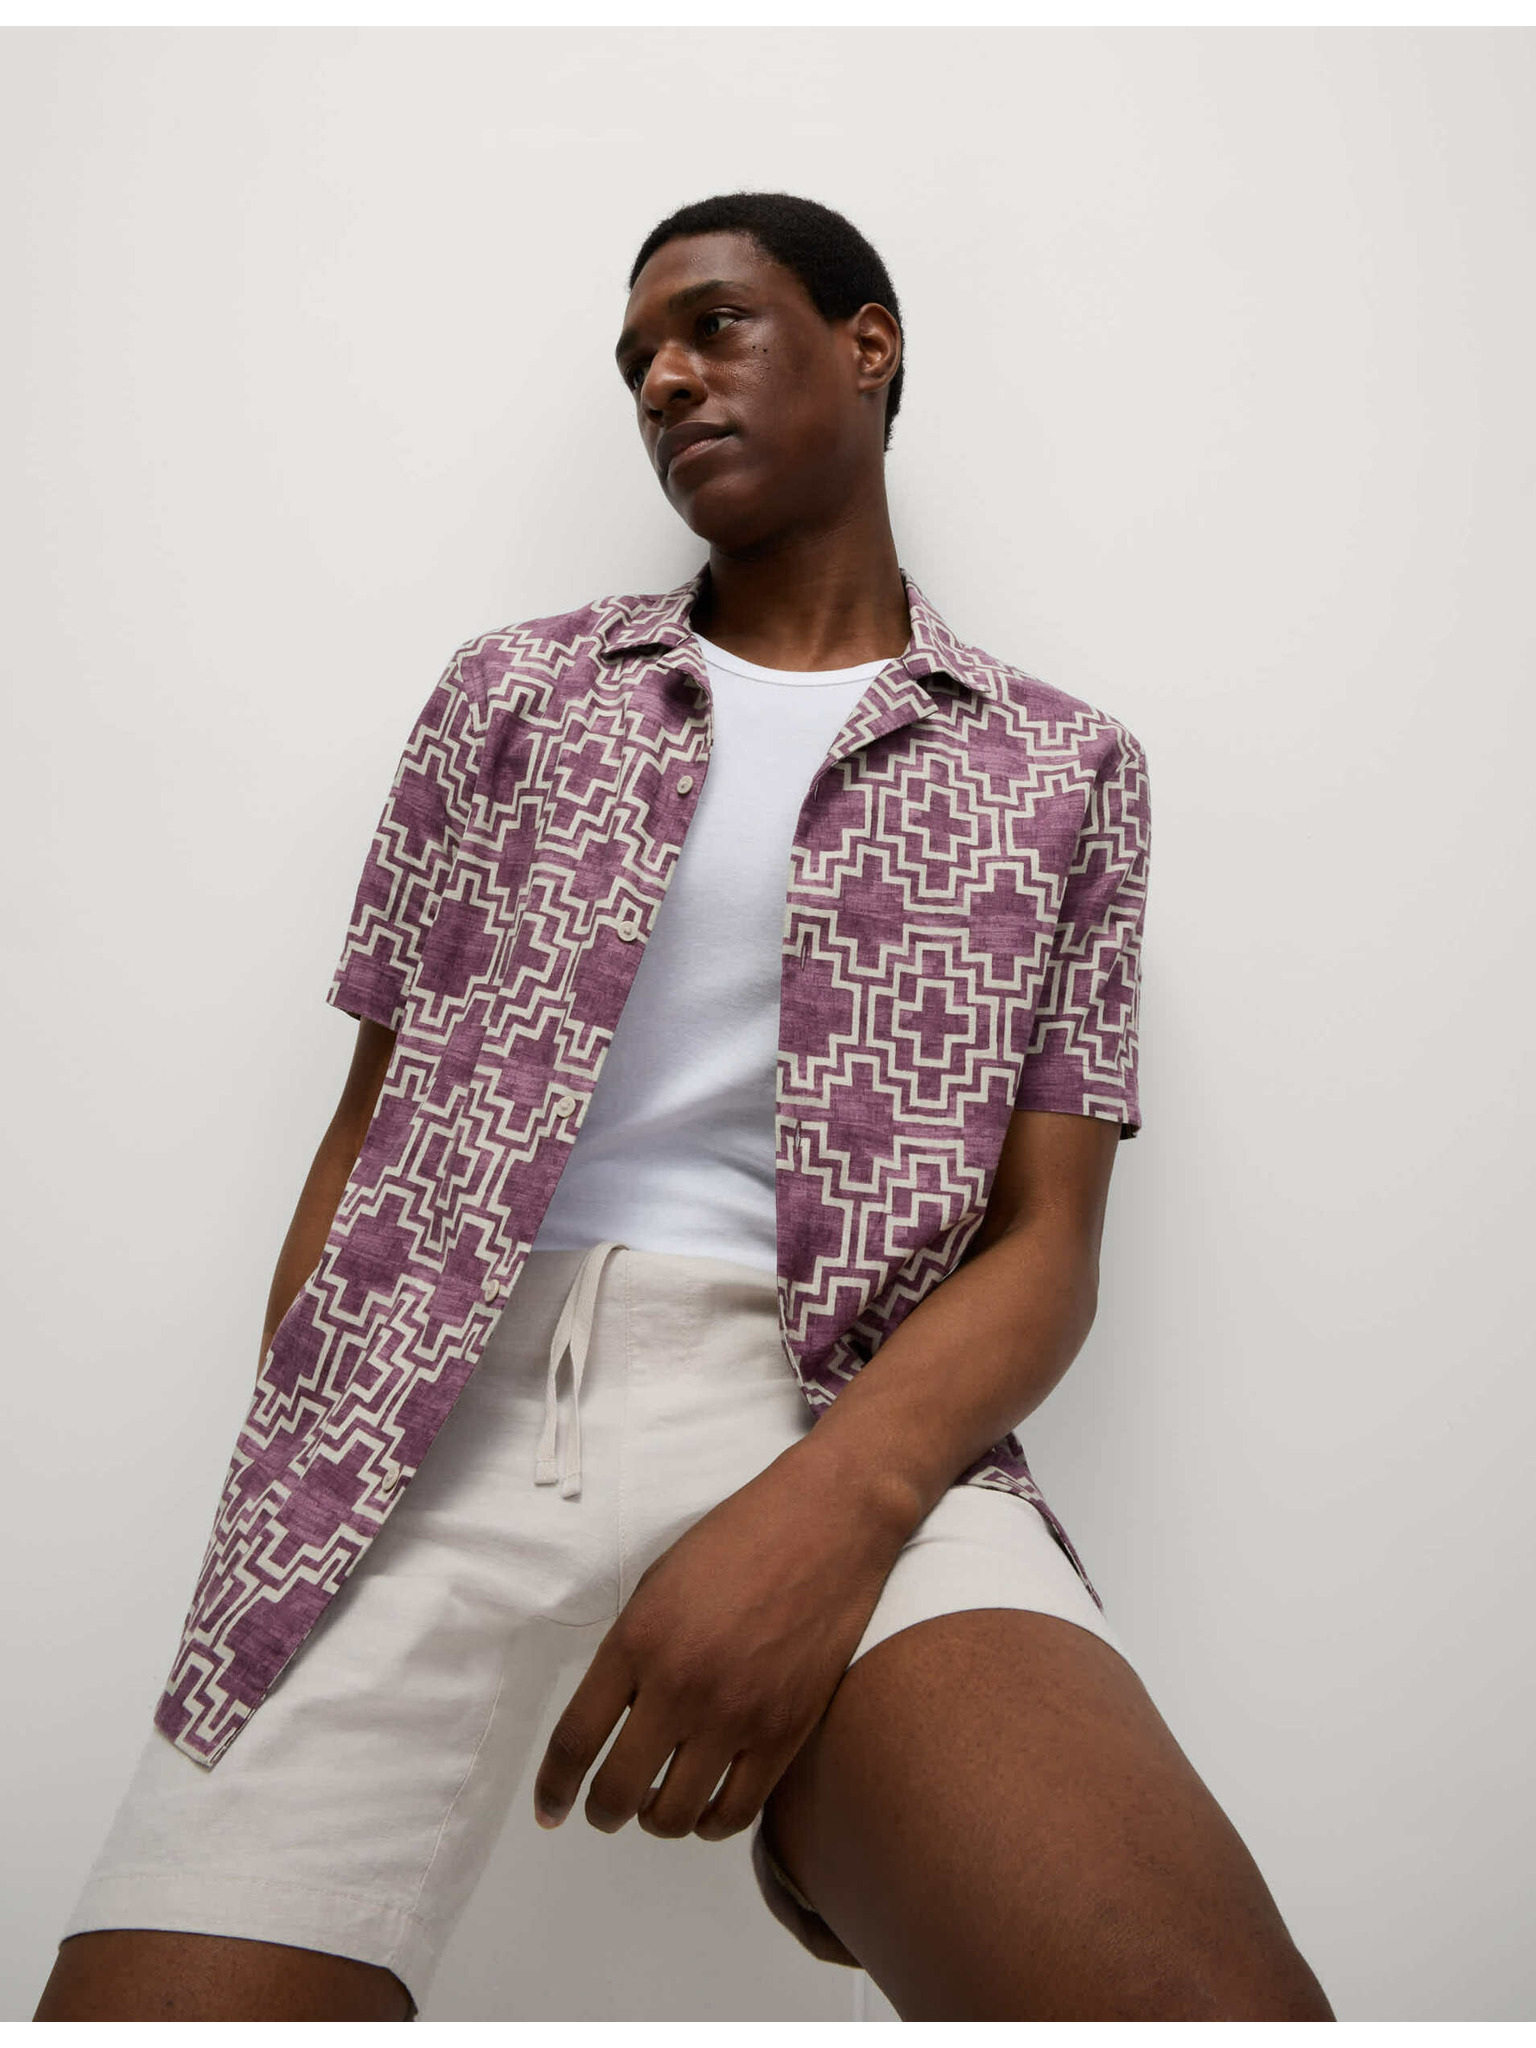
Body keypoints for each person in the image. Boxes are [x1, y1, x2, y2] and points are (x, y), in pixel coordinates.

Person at [35, 190, 1334, 2023]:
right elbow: (368, 1132)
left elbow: (1048, 1244)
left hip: (847, 1410)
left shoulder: (1062, 764)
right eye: (637, 358)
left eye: (715, 323)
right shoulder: (515, 694)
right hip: (430, 1418)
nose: (664, 378)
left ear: (869, 346)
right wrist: (303, 1463)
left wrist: (843, 1502)